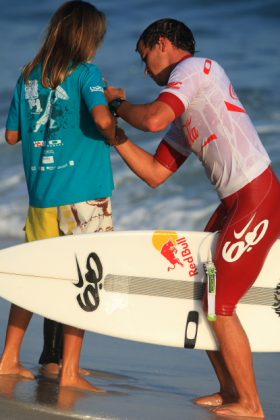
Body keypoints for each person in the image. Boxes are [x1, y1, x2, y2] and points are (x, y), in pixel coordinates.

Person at [105, 18, 280, 418]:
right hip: (235, 204)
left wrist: (115, 104)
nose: (145, 69)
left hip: (257, 199)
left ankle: (251, 405)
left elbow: (152, 119)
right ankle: (229, 388)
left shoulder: (196, 70)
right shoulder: (188, 106)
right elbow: (154, 174)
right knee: (201, 285)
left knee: (221, 304)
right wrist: (114, 134)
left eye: (145, 56)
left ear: (163, 43)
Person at [1, 0, 117, 392]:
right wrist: (114, 130)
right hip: (85, 195)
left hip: (41, 196)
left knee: (34, 278)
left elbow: (12, 136)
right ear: (88, 37)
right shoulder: (88, 72)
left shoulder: (27, 75)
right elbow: (102, 119)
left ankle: (9, 359)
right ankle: (69, 370)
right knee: (85, 278)